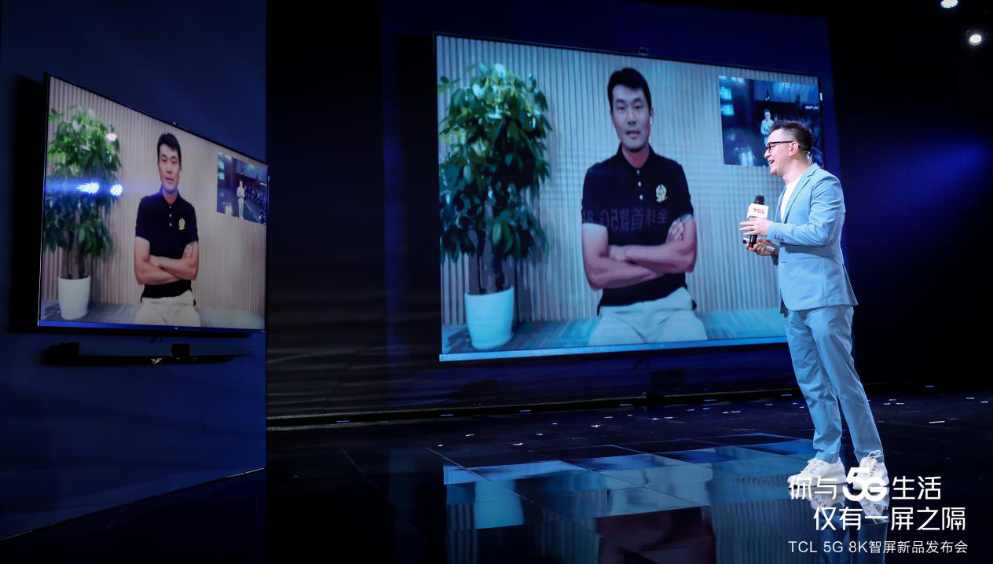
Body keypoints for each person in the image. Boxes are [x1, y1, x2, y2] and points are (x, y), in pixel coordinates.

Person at [739, 120, 887, 489]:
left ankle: (871, 459)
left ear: (793, 147)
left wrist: (771, 229)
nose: (766, 153)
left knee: (842, 381)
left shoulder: (823, 183)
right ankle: (828, 458)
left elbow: (823, 232)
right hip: (793, 302)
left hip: (824, 298)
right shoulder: (785, 193)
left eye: (771, 145)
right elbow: (797, 246)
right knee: (812, 384)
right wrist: (772, 249)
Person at [581, 68, 707, 346]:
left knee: (696, 351)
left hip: (674, 307)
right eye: (621, 108)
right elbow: (596, 273)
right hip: (617, 313)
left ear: (651, 114)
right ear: (612, 117)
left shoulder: (673, 173)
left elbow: (687, 257)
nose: (631, 117)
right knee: (601, 360)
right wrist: (664, 263)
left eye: (638, 107)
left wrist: (622, 252)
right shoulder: (597, 178)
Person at [133, 133, 201, 327]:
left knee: (194, 335)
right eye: (164, 161)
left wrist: (158, 261)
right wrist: (180, 270)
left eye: (174, 161)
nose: (169, 168)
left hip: (184, 302)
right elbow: (141, 273)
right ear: (158, 166)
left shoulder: (188, 211)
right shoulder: (146, 206)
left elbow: (193, 270)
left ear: (180, 168)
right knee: (138, 338)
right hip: (151, 303)